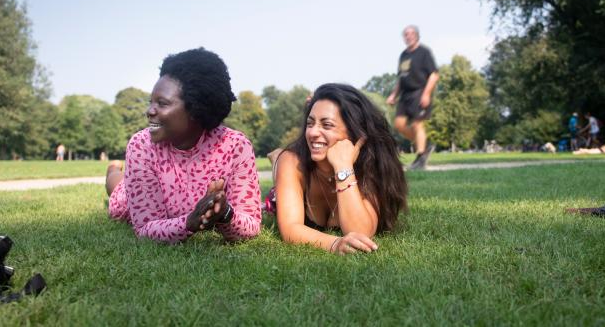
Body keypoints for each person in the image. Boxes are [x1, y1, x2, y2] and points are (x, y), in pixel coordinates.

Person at [106, 48, 261, 244]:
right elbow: (145, 228)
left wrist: (225, 213)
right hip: (131, 197)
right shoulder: (141, 145)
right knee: (119, 193)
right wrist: (188, 223)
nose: (149, 111)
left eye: (162, 103)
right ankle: (112, 168)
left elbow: (252, 224)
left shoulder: (236, 146)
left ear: (195, 109)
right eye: (150, 102)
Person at [270, 83, 408, 255]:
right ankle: (275, 158)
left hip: (347, 164)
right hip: (288, 169)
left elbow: (361, 231)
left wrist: (343, 167)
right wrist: (334, 244)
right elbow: (290, 228)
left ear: (354, 132)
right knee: (280, 164)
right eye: (310, 123)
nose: (312, 132)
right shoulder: (292, 161)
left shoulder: (370, 166)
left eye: (326, 125)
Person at [387, 25, 439, 170]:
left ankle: (421, 158)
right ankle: (424, 145)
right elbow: (400, 78)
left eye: (411, 34)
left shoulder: (424, 52)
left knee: (417, 124)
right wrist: (393, 95)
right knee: (399, 125)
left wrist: (427, 94)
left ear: (417, 35)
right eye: (405, 34)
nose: (408, 36)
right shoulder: (403, 55)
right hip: (405, 95)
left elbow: (434, 75)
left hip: (419, 92)